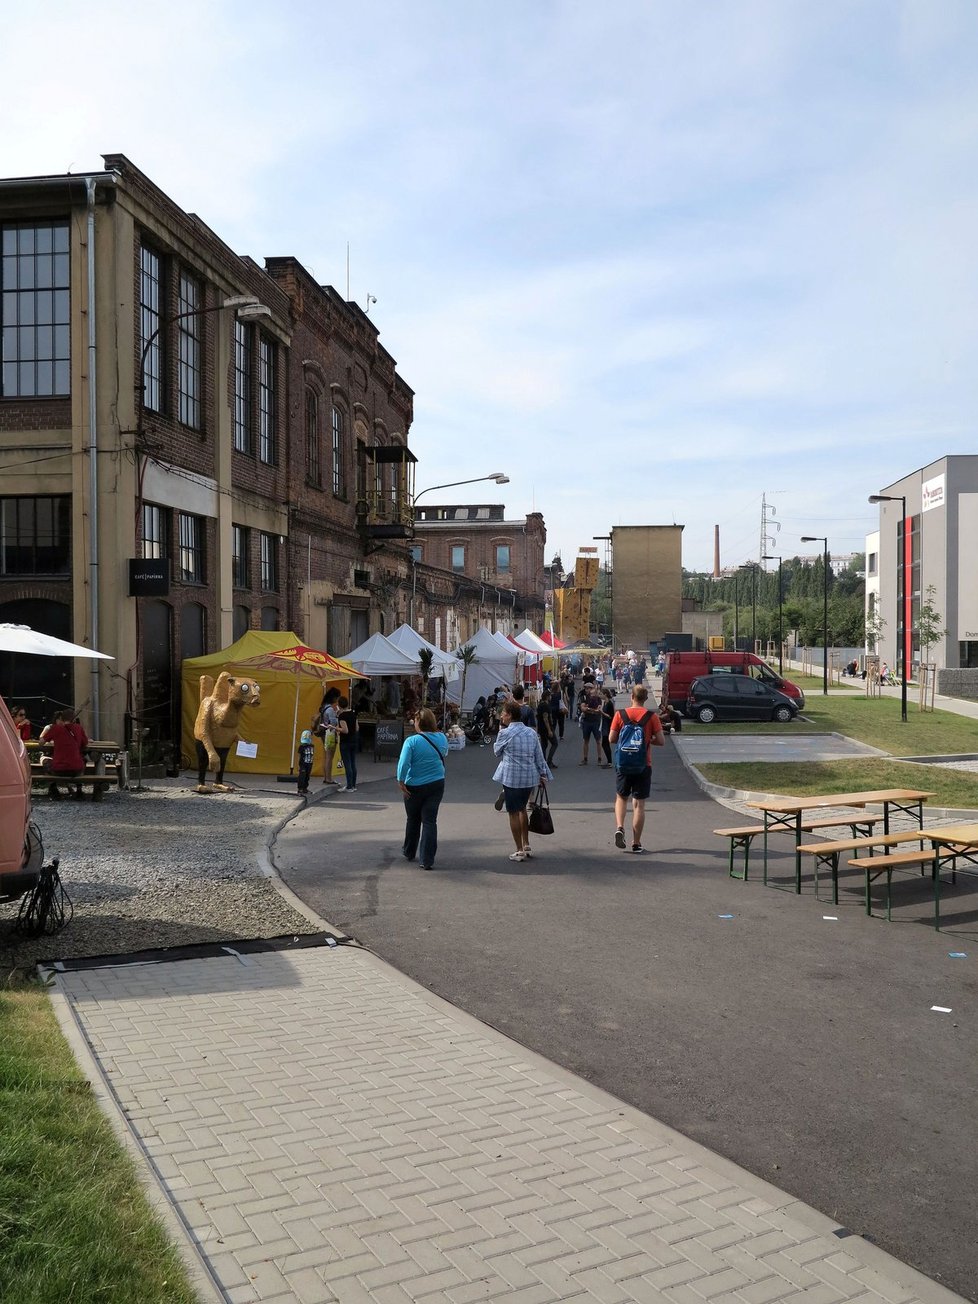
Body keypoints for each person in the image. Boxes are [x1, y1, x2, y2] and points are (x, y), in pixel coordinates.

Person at [492, 698, 552, 862]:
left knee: (513, 812)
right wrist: (543, 775)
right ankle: (526, 844)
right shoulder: (531, 733)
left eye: (503, 713)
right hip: (529, 777)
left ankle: (519, 850)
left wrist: (500, 731)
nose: (501, 716)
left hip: (511, 777)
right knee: (523, 809)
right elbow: (539, 756)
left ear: (510, 715)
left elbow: (496, 751)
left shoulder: (504, 733)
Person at [609, 685, 665, 854]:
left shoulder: (620, 714)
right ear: (645, 698)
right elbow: (661, 741)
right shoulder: (651, 717)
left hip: (623, 764)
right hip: (643, 764)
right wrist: (647, 740)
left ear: (631, 696)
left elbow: (612, 738)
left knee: (621, 797)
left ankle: (620, 826)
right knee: (639, 804)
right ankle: (636, 842)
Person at [396, 707, 448, 871]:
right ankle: (427, 859)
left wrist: (401, 780)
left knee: (413, 819)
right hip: (436, 783)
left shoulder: (411, 741)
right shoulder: (442, 738)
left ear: (419, 722)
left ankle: (409, 851)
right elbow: (444, 753)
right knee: (430, 821)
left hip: (414, 786)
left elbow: (404, 763)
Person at [40, 709, 89, 800]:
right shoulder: (79, 728)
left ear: (62, 719)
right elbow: (85, 743)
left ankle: (53, 789)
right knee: (83, 759)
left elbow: (41, 742)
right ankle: (79, 789)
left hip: (58, 769)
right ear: (74, 719)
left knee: (44, 759)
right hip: (76, 770)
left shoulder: (55, 728)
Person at [316, 687, 341, 785]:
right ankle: (329, 778)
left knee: (326, 756)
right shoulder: (330, 709)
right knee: (330, 757)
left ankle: (326, 777)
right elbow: (334, 723)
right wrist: (338, 714)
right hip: (330, 734)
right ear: (334, 697)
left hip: (324, 733)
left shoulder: (324, 706)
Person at [336, 695, 358, 791]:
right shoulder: (353, 713)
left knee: (347, 764)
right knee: (353, 763)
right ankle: (353, 785)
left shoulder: (342, 716)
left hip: (345, 742)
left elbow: (345, 730)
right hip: (354, 740)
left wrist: (335, 728)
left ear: (339, 705)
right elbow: (357, 728)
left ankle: (349, 786)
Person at [578, 684, 603, 765]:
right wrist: (592, 710)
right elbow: (583, 708)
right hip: (587, 721)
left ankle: (599, 759)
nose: (586, 689)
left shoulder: (598, 698)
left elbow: (599, 709)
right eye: (585, 688)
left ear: (592, 689)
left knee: (598, 741)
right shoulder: (584, 697)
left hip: (596, 721)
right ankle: (585, 759)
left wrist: (588, 709)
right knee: (586, 740)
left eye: (588, 688)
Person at [599, 687, 616, 768]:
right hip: (604, 724)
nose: (600, 695)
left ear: (605, 694)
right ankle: (609, 761)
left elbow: (610, 716)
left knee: (605, 743)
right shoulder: (605, 702)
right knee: (604, 743)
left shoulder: (609, 703)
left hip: (608, 725)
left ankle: (610, 762)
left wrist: (602, 712)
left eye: (601, 694)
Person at [296, 729, 315, 794]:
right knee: (302, 776)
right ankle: (300, 788)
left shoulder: (312, 746)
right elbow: (299, 756)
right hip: (303, 764)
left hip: (309, 764)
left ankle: (305, 788)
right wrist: (298, 765)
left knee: (307, 776)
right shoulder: (301, 747)